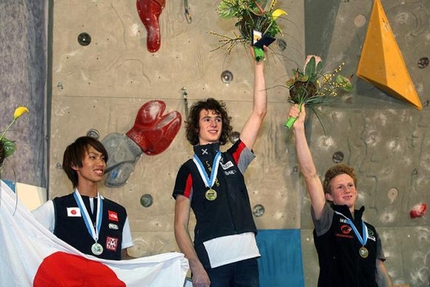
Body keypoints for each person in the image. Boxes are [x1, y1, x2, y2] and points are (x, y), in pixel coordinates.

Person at [172, 47, 268, 287]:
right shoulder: (188, 169)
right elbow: (179, 225)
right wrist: (195, 265)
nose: (214, 123)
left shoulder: (234, 158)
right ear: (196, 127)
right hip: (211, 260)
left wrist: (259, 66)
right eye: (207, 119)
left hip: (247, 257)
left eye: (218, 119)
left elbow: (259, 113)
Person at [288, 104, 393, 287]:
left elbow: (380, 270)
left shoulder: (370, 231)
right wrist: (298, 129)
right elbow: (310, 175)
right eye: (340, 187)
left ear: (357, 190)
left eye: (350, 185)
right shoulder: (327, 219)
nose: (347, 190)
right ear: (328, 195)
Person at [32, 136, 133, 260]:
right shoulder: (56, 208)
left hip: (105, 279)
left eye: (103, 158)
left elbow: (124, 258)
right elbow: (20, 232)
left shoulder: (119, 212)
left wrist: (159, 268)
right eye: (93, 157)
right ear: (74, 164)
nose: (101, 163)